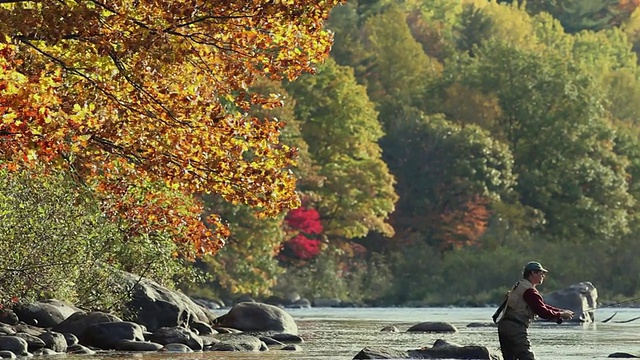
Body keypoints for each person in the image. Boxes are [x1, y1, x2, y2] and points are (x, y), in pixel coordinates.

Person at [496, 261, 575, 360]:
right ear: (533, 273)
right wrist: (560, 315)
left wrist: (561, 312)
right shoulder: (529, 291)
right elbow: (542, 311)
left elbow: (540, 306)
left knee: (510, 358)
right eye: (541, 273)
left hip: (504, 326)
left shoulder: (520, 285)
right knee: (527, 357)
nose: (543, 276)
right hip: (515, 329)